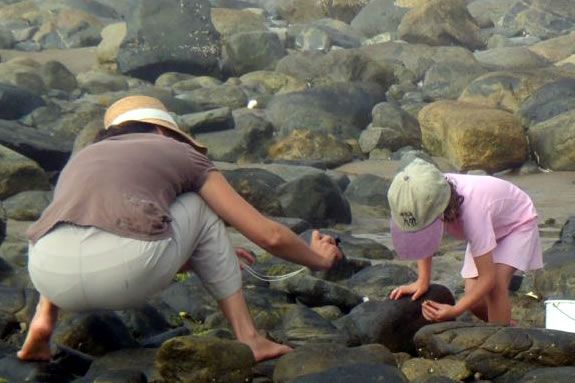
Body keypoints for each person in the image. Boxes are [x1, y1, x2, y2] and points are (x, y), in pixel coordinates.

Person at [17, 95, 342, 363]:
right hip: (124, 273)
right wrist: (318, 259)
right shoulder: (179, 152)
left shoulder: (83, 158)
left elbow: (94, 231)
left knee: (70, 217)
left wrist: (201, 256)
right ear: (163, 132)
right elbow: (267, 235)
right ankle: (250, 338)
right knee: (201, 206)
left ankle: (43, 323)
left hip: (47, 272)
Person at [387, 158, 542, 325]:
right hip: (489, 223)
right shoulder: (422, 192)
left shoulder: (472, 213)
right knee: (474, 301)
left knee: (495, 285)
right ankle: (509, 328)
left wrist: (455, 310)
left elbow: (487, 278)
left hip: (517, 223)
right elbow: (422, 233)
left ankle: (501, 341)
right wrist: (423, 280)